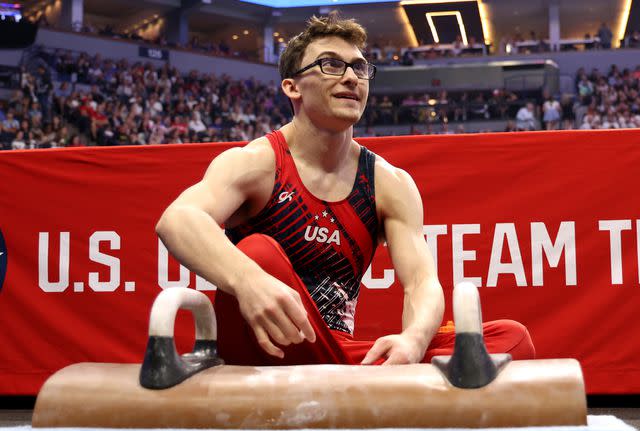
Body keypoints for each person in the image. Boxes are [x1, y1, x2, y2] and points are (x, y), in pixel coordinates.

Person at [156, 13, 535, 367]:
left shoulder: (388, 182)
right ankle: (377, 390)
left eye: (358, 68)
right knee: (258, 253)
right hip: (262, 344)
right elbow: (177, 219)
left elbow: (421, 282)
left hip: (336, 354)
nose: (351, 78)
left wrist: (413, 342)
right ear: (292, 87)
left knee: (511, 339)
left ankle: (369, 382)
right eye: (331, 65)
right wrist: (247, 280)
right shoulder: (258, 162)